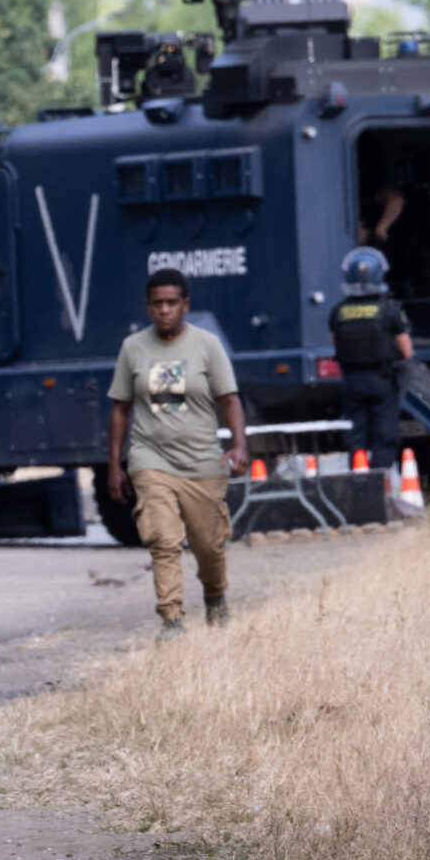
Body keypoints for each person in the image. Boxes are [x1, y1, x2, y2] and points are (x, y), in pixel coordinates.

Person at [105, 269, 249, 635]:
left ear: (185, 305)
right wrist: (115, 467)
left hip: (202, 461)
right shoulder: (133, 348)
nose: (164, 310)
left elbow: (229, 400)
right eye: (157, 304)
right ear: (148, 306)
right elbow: (120, 409)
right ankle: (171, 620)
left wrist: (239, 445)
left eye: (172, 303)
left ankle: (215, 598)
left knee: (209, 545)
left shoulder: (207, 345)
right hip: (151, 459)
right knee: (163, 540)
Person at [328, 247, 414, 470]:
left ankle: (359, 484)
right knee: (385, 435)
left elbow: (335, 342)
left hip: (352, 381)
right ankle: (381, 482)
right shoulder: (390, 310)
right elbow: (406, 351)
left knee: (356, 436)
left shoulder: (338, 311)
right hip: (382, 380)